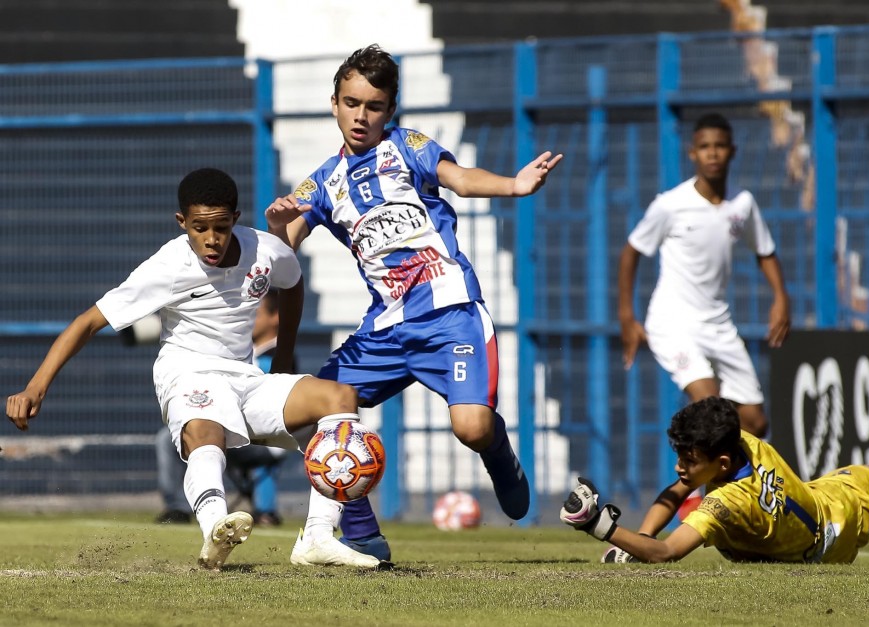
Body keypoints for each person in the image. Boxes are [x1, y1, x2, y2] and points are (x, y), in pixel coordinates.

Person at [265, 44, 563, 564]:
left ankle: (498, 450)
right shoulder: (322, 182)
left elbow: (462, 179)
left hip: (451, 315)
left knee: (470, 427)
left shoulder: (408, 147)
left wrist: (514, 185)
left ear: (390, 111)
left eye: (374, 106)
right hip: (386, 328)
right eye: (352, 103)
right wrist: (276, 225)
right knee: (309, 411)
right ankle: (361, 531)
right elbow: (285, 239)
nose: (362, 115)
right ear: (333, 103)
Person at [6, 167, 384, 570]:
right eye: (200, 228)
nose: (211, 239)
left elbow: (291, 284)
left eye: (221, 227)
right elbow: (88, 322)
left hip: (247, 379)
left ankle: (317, 539)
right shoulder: (167, 266)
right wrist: (35, 387)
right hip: (187, 375)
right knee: (206, 432)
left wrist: (284, 362)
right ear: (182, 222)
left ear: (236, 219)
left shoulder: (266, 250)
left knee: (340, 398)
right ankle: (214, 531)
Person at [560, 396, 869, 564]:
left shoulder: (725, 504)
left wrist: (599, 525)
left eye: (689, 459)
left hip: (824, 546)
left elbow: (668, 553)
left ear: (722, 463)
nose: (680, 467)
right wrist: (640, 540)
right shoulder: (737, 438)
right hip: (833, 501)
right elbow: (677, 492)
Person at [617, 112, 790, 438]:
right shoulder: (671, 205)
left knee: (754, 424)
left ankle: (718, 483)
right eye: (705, 147)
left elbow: (765, 251)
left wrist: (781, 297)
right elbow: (630, 253)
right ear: (692, 153)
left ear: (732, 151)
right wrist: (627, 317)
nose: (713, 153)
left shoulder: (742, 204)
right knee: (711, 411)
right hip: (673, 324)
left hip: (718, 324)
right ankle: (690, 487)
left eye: (720, 146)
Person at [154, 289, 293, 526]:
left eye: (255, 313)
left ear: (274, 317)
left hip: (263, 439)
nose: (248, 318)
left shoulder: (277, 356)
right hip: (244, 430)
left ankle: (178, 507)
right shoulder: (248, 351)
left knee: (168, 438)